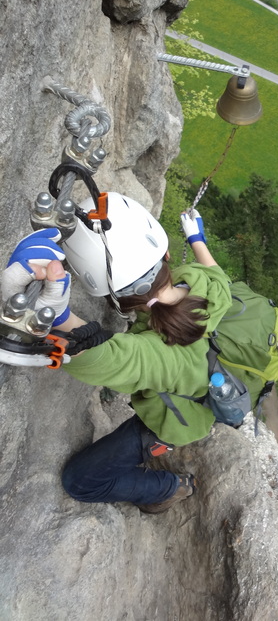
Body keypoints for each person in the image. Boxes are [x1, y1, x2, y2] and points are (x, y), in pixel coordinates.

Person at [1, 194, 233, 514]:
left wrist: (58, 316)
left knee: (81, 481)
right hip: (198, 376)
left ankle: (172, 487)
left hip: (177, 420)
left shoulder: (165, 356)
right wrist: (197, 238)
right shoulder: (194, 281)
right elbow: (219, 279)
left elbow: (115, 359)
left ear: (116, 300)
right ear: (165, 254)